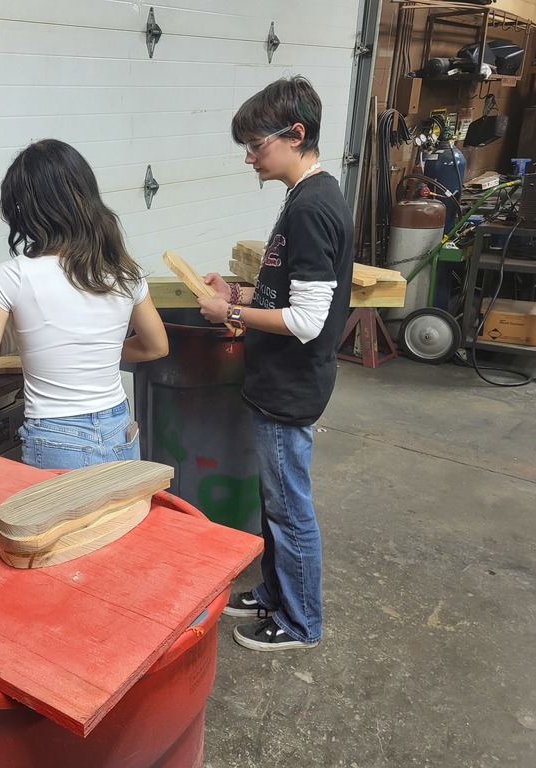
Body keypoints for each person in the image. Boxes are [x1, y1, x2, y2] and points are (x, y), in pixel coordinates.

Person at [196, 76, 354, 651]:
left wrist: (228, 315)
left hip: (290, 385)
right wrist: (234, 294)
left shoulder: (312, 208)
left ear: (296, 135)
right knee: (275, 502)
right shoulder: (307, 197)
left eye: (256, 145)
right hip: (278, 381)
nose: (249, 157)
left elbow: (308, 320)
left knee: (289, 510)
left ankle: (300, 621)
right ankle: (276, 591)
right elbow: (286, 296)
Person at [0, 139, 168, 469]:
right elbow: (157, 347)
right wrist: (102, 350)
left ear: (25, 209)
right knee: (118, 522)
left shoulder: (12, 276)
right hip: (118, 429)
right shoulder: (123, 271)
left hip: (56, 436)